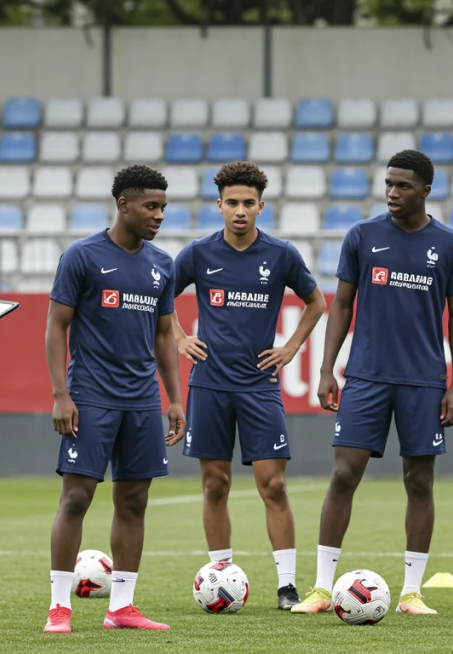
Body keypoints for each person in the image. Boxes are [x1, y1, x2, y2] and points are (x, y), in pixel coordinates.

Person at [292, 150, 453, 616]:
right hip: (366, 377)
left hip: (423, 380)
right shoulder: (363, 236)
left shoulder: (450, 244)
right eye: (389, 184)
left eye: (403, 186)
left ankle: (412, 592)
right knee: (344, 474)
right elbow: (342, 306)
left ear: (425, 190)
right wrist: (327, 368)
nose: (393, 192)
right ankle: (322, 588)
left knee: (419, 482)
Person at [170, 161, 326, 610]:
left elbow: (315, 302)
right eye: (232, 203)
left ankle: (287, 586)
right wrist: (180, 338)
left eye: (248, 203)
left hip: (259, 387)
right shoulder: (198, 254)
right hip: (210, 386)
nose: (240, 210)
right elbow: (160, 301)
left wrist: (291, 348)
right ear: (219, 205)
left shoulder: (281, 255)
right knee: (214, 484)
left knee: (273, 485)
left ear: (261, 206)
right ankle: (221, 576)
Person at [43, 165, 186, 634]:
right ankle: (59, 607)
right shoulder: (83, 256)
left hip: (142, 400)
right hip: (91, 396)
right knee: (77, 498)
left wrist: (174, 397)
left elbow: (165, 335)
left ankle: (121, 607)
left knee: (135, 500)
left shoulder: (162, 263)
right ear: (123, 204)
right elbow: (56, 326)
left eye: (163, 207)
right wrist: (61, 394)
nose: (159, 215)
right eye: (151, 205)